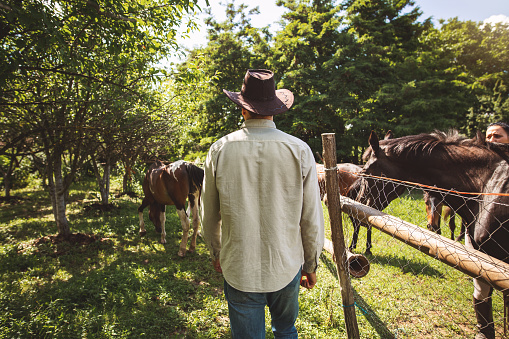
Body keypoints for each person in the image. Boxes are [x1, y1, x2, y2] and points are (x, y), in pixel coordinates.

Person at [200, 69, 325, 338]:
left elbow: (208, 214)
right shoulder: (300, 150)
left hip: (238, 266)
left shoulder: (219, 149)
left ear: (243, 110)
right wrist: (311, 264)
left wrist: (216, 252)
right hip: (286, 263)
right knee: (285, 330)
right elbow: (311, 217)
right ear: (275, 110)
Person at [470, 121, 509, 339]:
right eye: (489, 137)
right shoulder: (479, 167)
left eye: (498, 136)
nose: (492, 141)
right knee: (481, 289)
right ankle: (485, 332)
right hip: (479, 238)